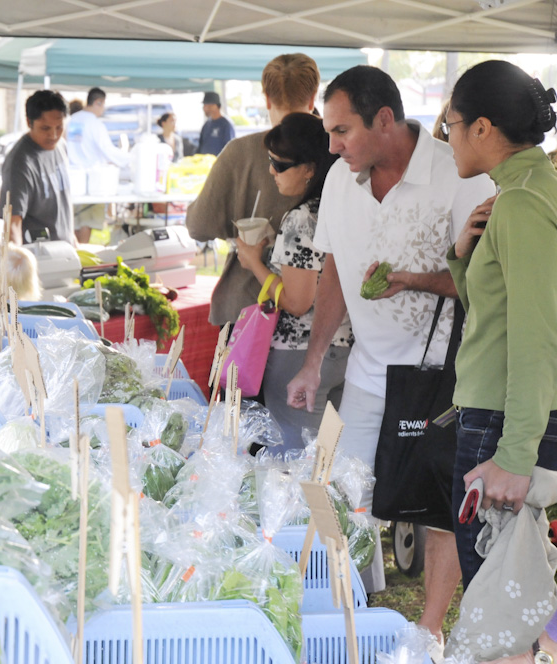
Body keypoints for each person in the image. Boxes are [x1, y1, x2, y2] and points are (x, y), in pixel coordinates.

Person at [284, 65, 495, 649]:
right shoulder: (337, 181)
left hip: (446, 378)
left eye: (342, 131)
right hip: (367, 374)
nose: (332, 146)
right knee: (335, 494)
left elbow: (486, 280)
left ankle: (429, 633)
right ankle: (341, 611)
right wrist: (313, 359)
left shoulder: (458, 174)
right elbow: (333, 270)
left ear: (384, 119)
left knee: (439, 508)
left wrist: (413, 279)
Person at [441, 60, 557, 662]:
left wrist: (514, 456)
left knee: (500, 607)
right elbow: (501, 316)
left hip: (501, 423)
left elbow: (539, 338)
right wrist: (463, 259)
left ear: (482, 127)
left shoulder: (523, 204)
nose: (446, 137)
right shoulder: (523, 193)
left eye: (450, 124)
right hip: (502, 416)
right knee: (511, 602)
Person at [232, 113, 350, 453]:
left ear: (310, 168)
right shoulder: (340, 208)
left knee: (291, 459)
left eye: (280, 165)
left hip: (299, 353)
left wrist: (254, 262)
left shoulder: (301, 218)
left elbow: (298, 302)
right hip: (342, 348)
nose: (271, 171)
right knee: (327, 456)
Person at [186, 53, 321, 328]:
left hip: (248, 307)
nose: (274, 171)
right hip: (324, 317)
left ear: (267, 98)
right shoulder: (339, 150)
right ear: (313, 96)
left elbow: (198, 226)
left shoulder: (240, 152)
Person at [0, 90, 74, 245]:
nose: (53, 135)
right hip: (39, 257)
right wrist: (18, 262)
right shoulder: (19, 163)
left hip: (66, 252)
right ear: (28, 122)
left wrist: (74, 242)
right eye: (45, 128)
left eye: (59, 127)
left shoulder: (60, 146)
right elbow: (12, 224)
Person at [66, 87, 130, 243]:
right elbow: (107, 149)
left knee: (72, 222)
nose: (102, 110)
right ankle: (80, 257)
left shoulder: (72, 120)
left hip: (72, 179)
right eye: (102, 105)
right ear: (97, 102)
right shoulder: (95, 124)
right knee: (86, 222)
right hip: (94, 182)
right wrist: (128, 160)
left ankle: (73, 256)